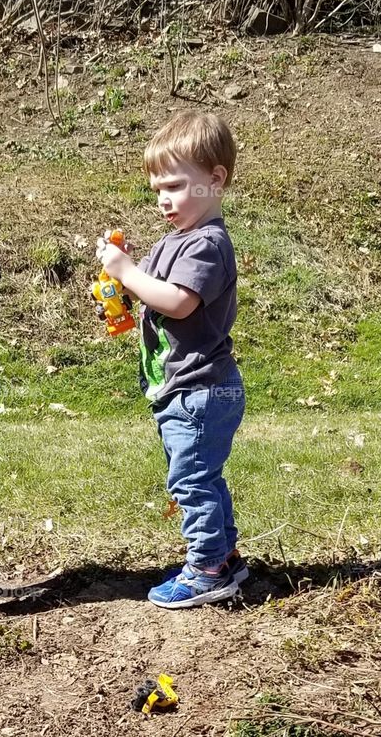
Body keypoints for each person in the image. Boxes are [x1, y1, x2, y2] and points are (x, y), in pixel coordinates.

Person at [98, 111, 247, 608]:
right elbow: (152, 287)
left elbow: (179, 301)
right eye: (156, 188)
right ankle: (223, 556)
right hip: (182, 388)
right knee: (202, 475)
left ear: (215, 180)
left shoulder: (209, 243)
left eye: (176, 186)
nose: (163, 198)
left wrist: (126, 270)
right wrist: (121, 281)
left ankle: (206, 568)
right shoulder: (176, 240)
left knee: (191, 479)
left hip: (202, 389)